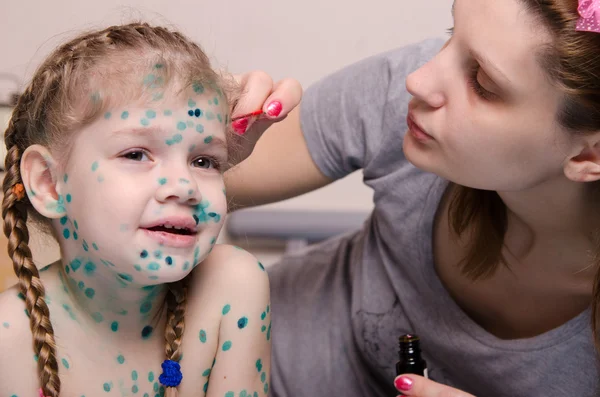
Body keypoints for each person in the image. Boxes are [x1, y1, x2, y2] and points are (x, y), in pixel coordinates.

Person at [225, 0, 600, 395]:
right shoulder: (412, 103)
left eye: (483, 84)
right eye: (451, 34)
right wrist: (187, 122)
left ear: (587, 155)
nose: (418, 79)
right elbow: (212, 172)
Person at [0, 22, 277, 397]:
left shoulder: (231, 290)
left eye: (204, 161)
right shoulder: (8, 341)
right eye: (136, 154)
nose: (185, 186)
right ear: (50, 183)